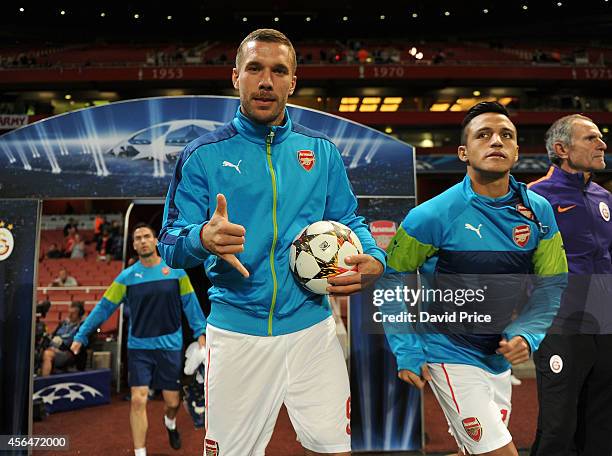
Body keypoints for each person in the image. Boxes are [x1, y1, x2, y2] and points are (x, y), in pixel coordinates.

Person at [158, 28, 385, 456]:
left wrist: (372, 256)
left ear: (292, 82)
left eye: (279, 71)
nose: (266, 81)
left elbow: (350, 219)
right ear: (236, 77)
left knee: (335, 448)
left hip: (313, 330)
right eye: (255, 69)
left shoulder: (321, 152)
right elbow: (169, 239)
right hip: (237, 333)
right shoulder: (202, 154)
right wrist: (202, 237)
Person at [381, 102, 567, 456]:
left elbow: (552, 283)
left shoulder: (538, 212)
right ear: (464, 152)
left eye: (506, 135)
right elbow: (392, 279)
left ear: (515, 151)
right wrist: (406, 349)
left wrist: (528, 333)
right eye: (484, 134)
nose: (496, 141)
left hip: (497, 358)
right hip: (447, 351)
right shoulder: (431, 215)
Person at [70, 223, 206, 456]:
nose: (142, 241)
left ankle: (170, 423)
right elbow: (104, 308)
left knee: (172, 402)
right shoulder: (127, 277)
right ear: (134, 245)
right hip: (139, 348)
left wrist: (200, 333)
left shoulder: (175, 272)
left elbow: (190, 304)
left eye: (146, 236)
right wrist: (81, 335)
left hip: (169, 346)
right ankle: (140, 452)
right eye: (138, 238)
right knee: (138, 400)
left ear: (155, 241)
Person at [528, 114, 612, 456]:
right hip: (559, 323)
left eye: (600, 137)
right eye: (591, 138)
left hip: (604, 324)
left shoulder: (604, 197)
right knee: (559, 424)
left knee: (603, 421)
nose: (602, 144)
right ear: (562, 148)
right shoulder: (534, 198)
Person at [41, 301, 84, 376]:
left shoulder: (81, 326)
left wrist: (59, 347)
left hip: (68, 352)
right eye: (69, 312)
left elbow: (74, 343)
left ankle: (45, 382)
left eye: (73, 313)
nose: (70, 315)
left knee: (47, 354)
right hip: (53, 348)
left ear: (79, 314)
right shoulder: (64, 323)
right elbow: (53, 335)